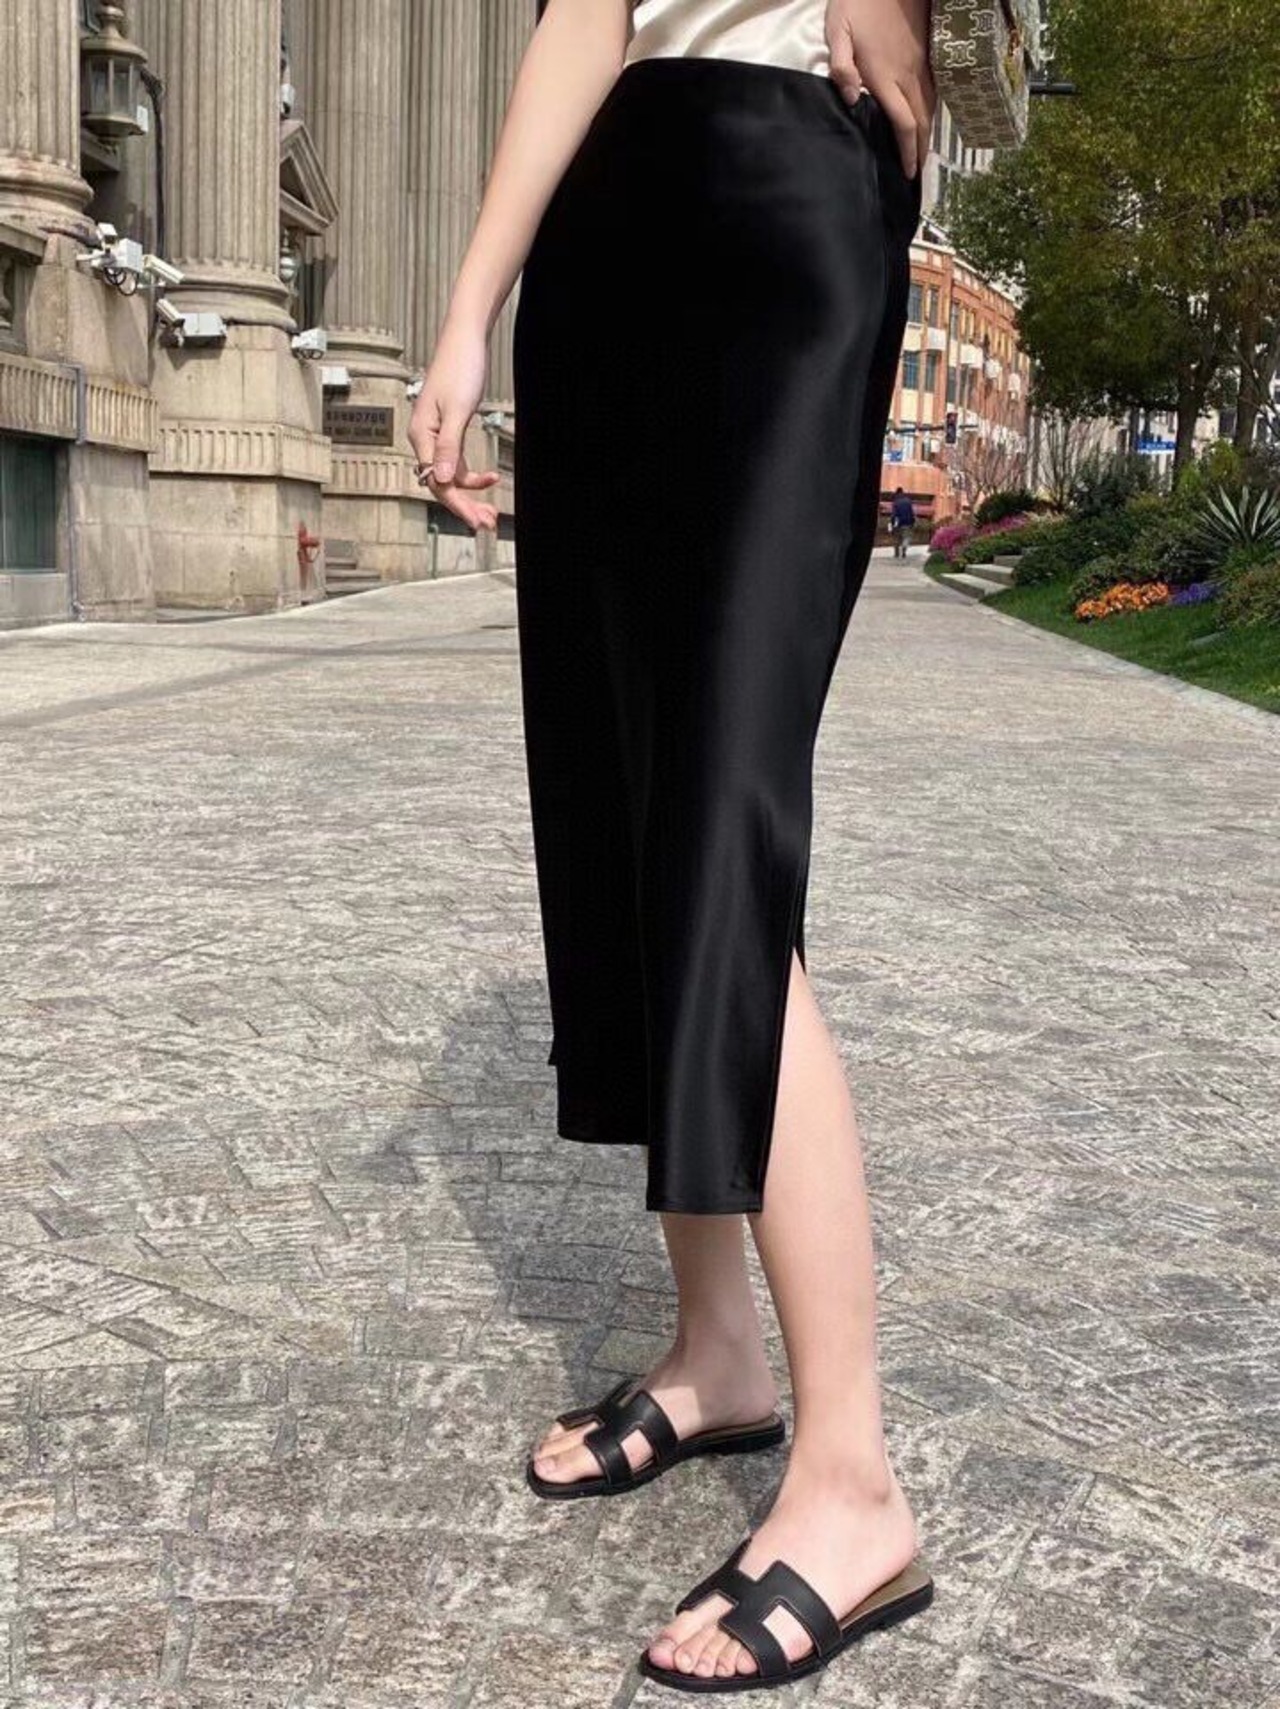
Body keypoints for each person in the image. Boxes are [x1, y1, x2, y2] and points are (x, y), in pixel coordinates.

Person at [409, 0, 935, 1691]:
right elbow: (588, 16)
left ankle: (853, 1483)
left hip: (779, 197)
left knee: (718, 839)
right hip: (611, 228)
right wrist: (470, 312)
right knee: (625, 819)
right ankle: (720, 1354)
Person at [890, 486, 917, 556]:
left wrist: (892, 523)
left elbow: (894, 514)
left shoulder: (895, 502)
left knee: (896, 538)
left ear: (897, 493)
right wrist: (913, 521)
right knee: (906, 537)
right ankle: (904, 550)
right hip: (907, 522)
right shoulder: (908, 501)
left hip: (897, 523)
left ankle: (896, 553)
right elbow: (911, 512)